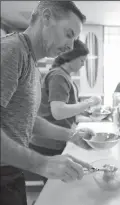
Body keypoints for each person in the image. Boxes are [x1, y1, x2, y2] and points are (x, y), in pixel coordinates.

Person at [1, 2, 93, 205]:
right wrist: (42, 163)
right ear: (46, 18)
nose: (70, 47)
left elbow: (26, 119)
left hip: (11, 171)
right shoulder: (11, 51)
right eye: (68, 34)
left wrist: (71, 135)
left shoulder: (32, 65)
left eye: (74, 39)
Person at [29, 39, 101, 167]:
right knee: (55, 184)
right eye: (81, 60)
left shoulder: (63, 75)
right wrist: (90, 102)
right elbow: (58, 112)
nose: (83, 65)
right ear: (71, 57)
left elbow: (65, 110)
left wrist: (77, 127)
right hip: (49, 142)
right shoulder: (58, 76)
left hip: (56, 138)